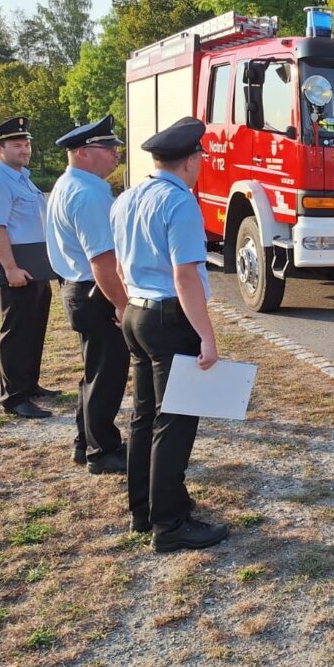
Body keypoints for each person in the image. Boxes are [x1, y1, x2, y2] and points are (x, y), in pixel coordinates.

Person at [111, 116, 228, 553]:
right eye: (201, 157)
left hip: (137, 312)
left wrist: (127, 305)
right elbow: (185, 277)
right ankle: (170, 523)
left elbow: (120, 262)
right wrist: (208, 338)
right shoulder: (180, 204)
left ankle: (143, 510)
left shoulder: (128, 196)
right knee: (174, 422)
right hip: (167, 316)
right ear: (192, 160)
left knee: (145, 418)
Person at [46, 115, 130, 473]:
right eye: (107, 147)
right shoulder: (88, 193)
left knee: (95, 371)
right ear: (82, 153)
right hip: (96, 291)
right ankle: (103, 450)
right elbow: (102, 261)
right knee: (108, 373)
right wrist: (122, 304)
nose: (115, 153)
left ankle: (85, 442)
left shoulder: (69, 184)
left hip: (78, 288)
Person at [0, 116, 57, 419]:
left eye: (27, 144)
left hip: (34, 263)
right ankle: (14, 397)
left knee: (34, 327)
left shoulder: (20, 177)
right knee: (17, 330)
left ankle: (29, 384)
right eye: (17, 145)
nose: (25, 150)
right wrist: (10, 268)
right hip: (14, 263)